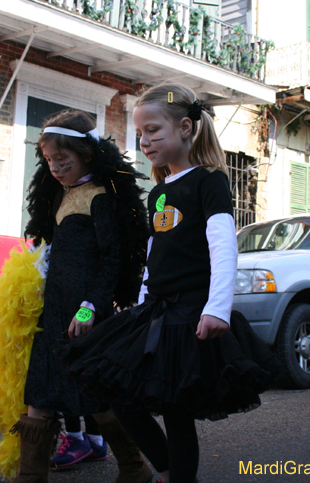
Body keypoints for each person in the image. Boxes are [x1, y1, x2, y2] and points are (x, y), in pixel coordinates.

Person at [58, 83, 281, 483]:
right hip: (156, 310)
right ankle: (165, 471)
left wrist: (218, 308)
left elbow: (223, 247)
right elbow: (154, 254)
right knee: (121, 395)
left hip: (192, 313)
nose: (144, 141)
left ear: (185, 128)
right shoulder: (158, 192)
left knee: (177, 412)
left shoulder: (208, 181)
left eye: (154, 131)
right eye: (140, 133)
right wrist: (141, 300)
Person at [11, 109, 152, 483]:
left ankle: (135, 467)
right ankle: (30, 477)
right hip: (53, 308)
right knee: (38, 394)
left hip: (85, 314)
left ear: (86, 155)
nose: (55, 167)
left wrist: (90, 309)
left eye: (63, 159)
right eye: (49, 160)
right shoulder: (60, 193)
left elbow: (113, 261)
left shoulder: (101, 198)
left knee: (97, 402)